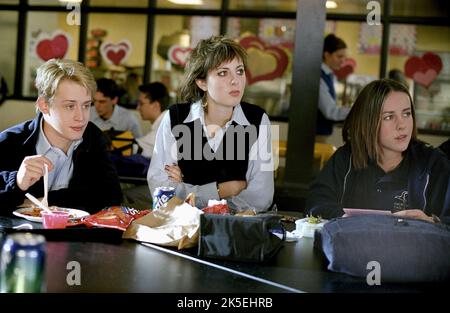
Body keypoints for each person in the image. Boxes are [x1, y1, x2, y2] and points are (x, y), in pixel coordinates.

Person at [147, 35, 274, 212]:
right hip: (181, 229)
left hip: (232, 229)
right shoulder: (175, 118)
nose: (235, 80)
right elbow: (159, 188)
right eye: (223, 73)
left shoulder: (258, 120)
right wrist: (223, 190)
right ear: (202, 82)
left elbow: (261, 197)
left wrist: (190, 192)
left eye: (239, 71)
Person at [306, 79, 450, 224]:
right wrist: (347, 220)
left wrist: (433, 222)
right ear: (367, 122)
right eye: (389, 117)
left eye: (406, 114)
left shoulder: (434, 163)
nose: (402, 125)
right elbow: (316, 204)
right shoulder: (347, 158)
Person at [0, 59, 122, 214]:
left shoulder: (92, 137)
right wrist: (16, 183)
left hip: (75, 237)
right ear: (44, 105)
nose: (81, 117)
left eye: (86, 105)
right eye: (70, 106)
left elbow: (111, 198)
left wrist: (40, 202)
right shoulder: (10, 141)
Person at [317, 34, 351, 139]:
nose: (343, 61)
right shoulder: (319, 77)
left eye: (344, 57)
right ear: (327, 55)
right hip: (315, 135)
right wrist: (357, 110)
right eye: (339, 56)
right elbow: (331, 112)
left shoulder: (330, 76)